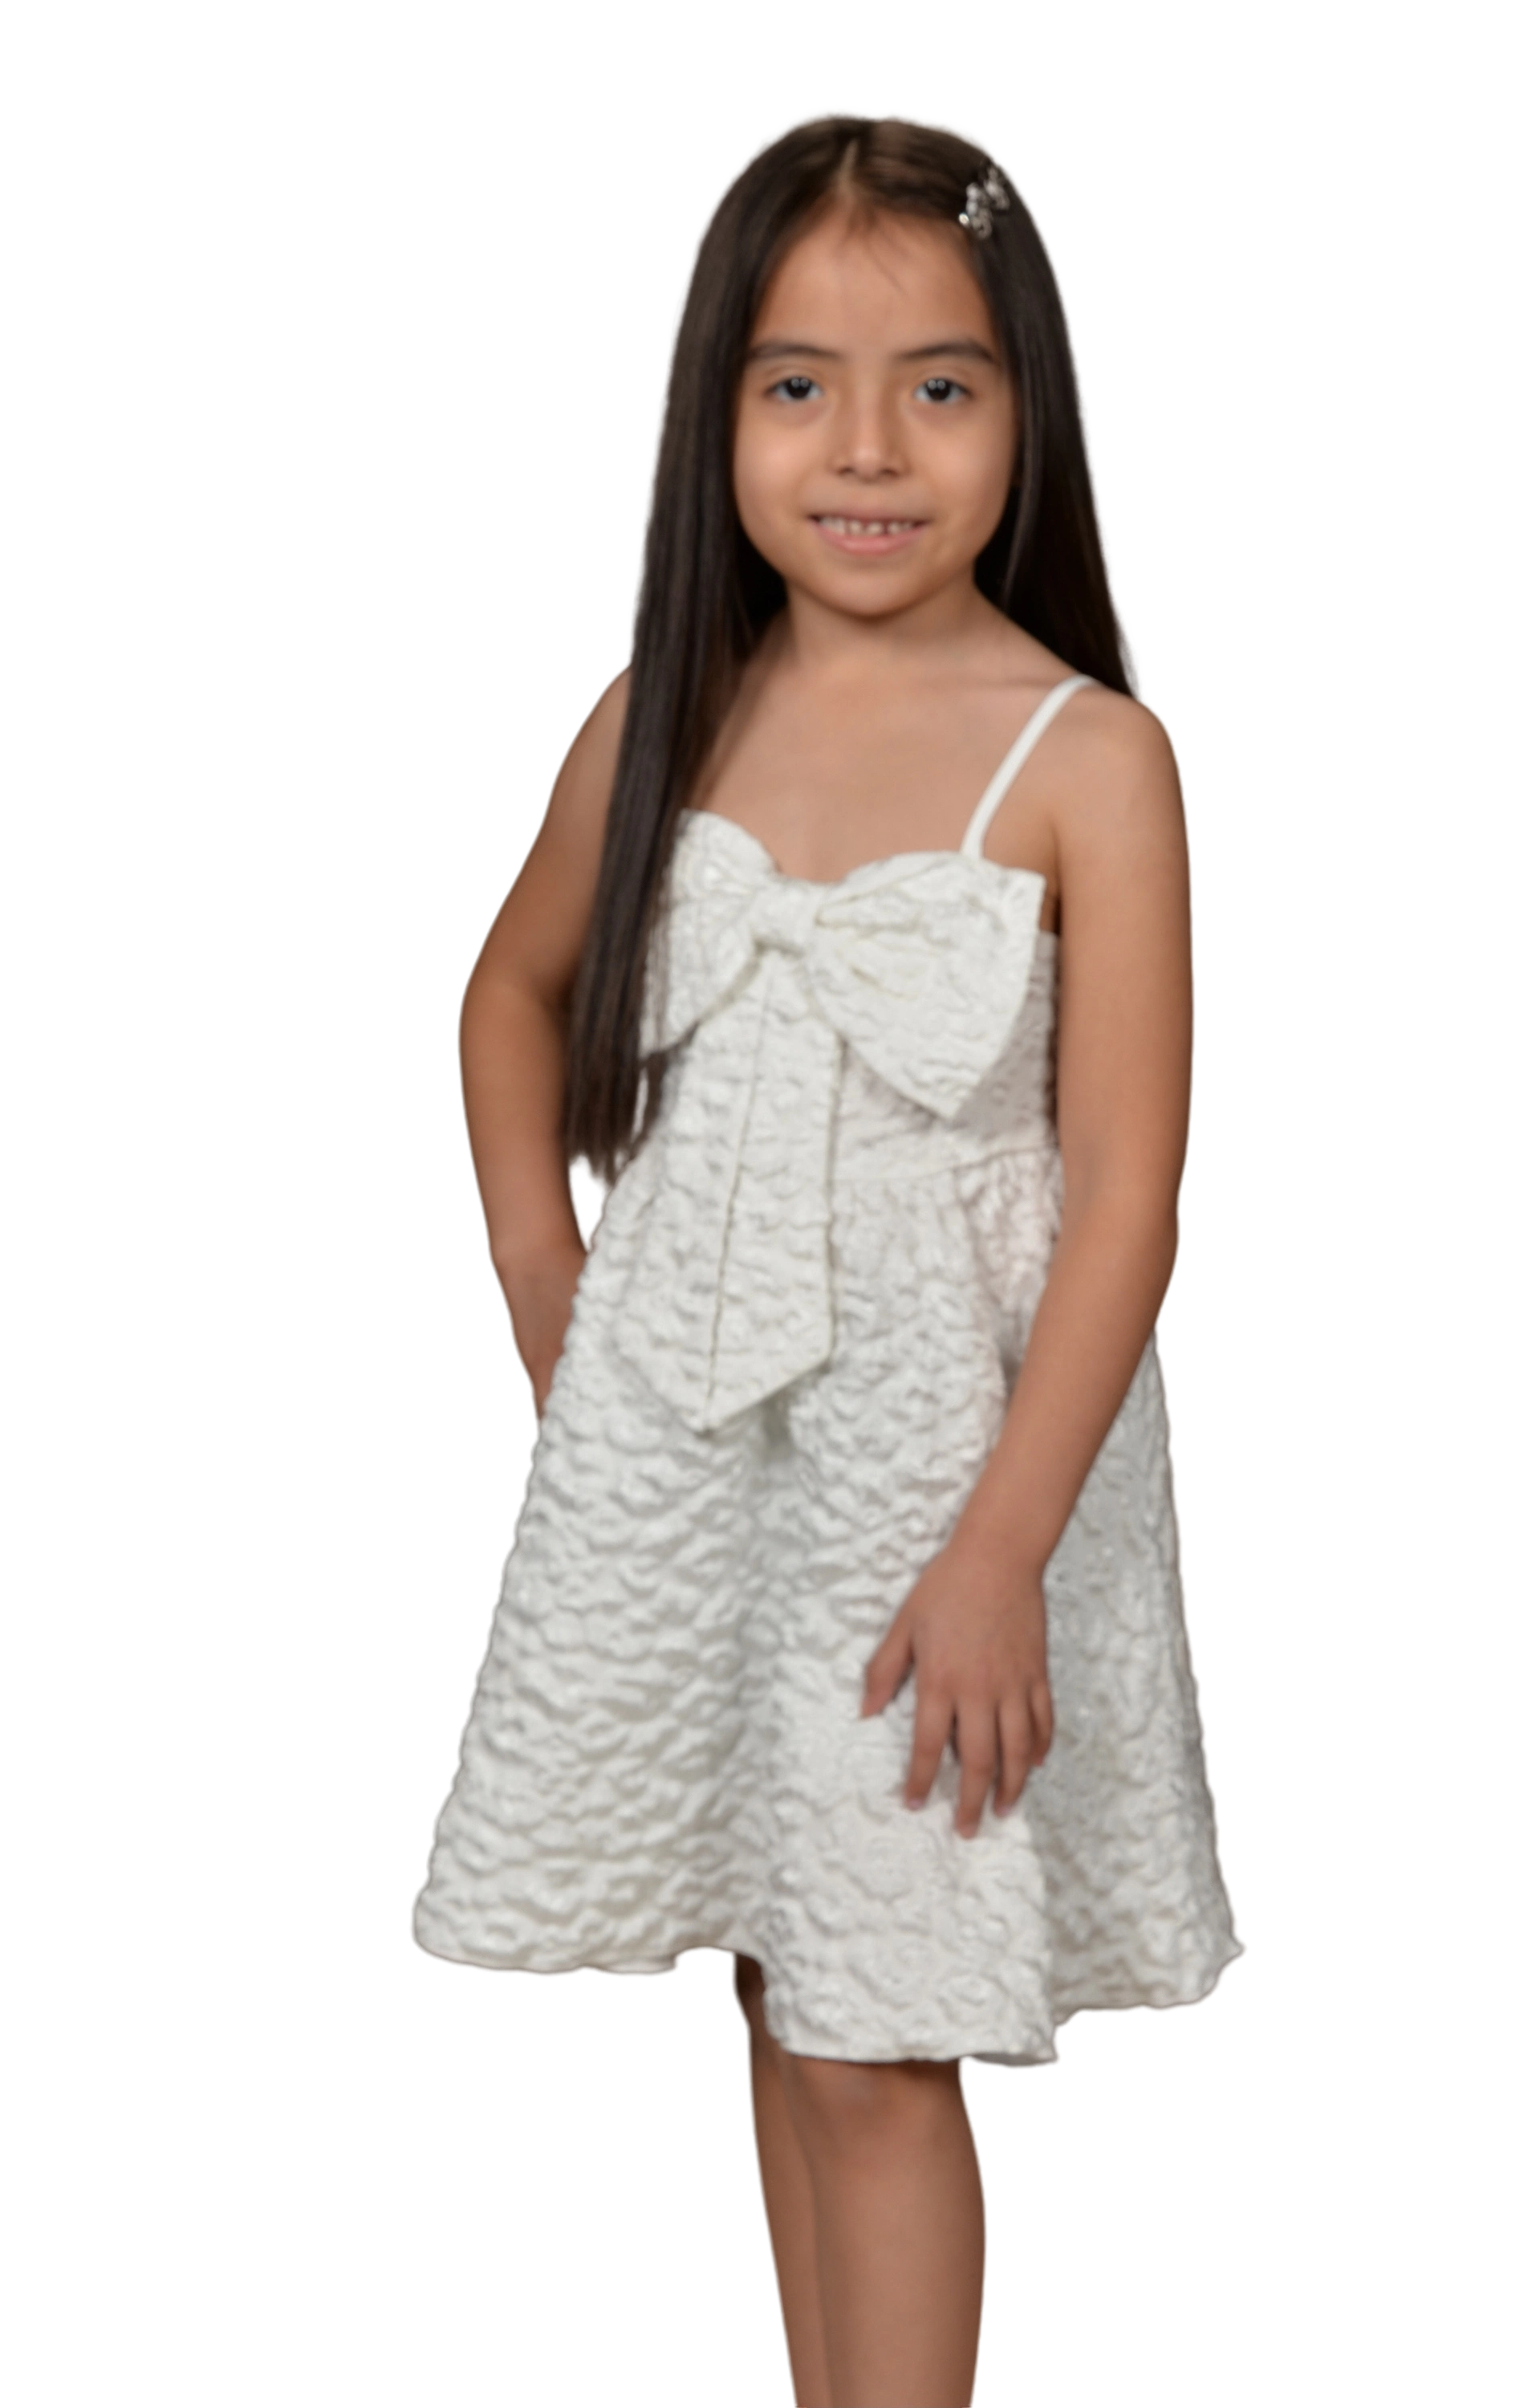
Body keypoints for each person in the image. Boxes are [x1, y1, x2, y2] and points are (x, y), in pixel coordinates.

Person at [406, 104, 1250, 2408]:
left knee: (888, 2025)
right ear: (720, 414)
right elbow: (509, 1000)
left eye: (939, 386)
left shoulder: (1087, 757)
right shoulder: (663, 716)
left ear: (1026, 414)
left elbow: (1130, 1192)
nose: (867, 449)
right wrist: (549, 1287)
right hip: (707, 1448)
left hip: (943, 1468)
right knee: (787, 1982)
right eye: (799, 384)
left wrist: (998, 1549)